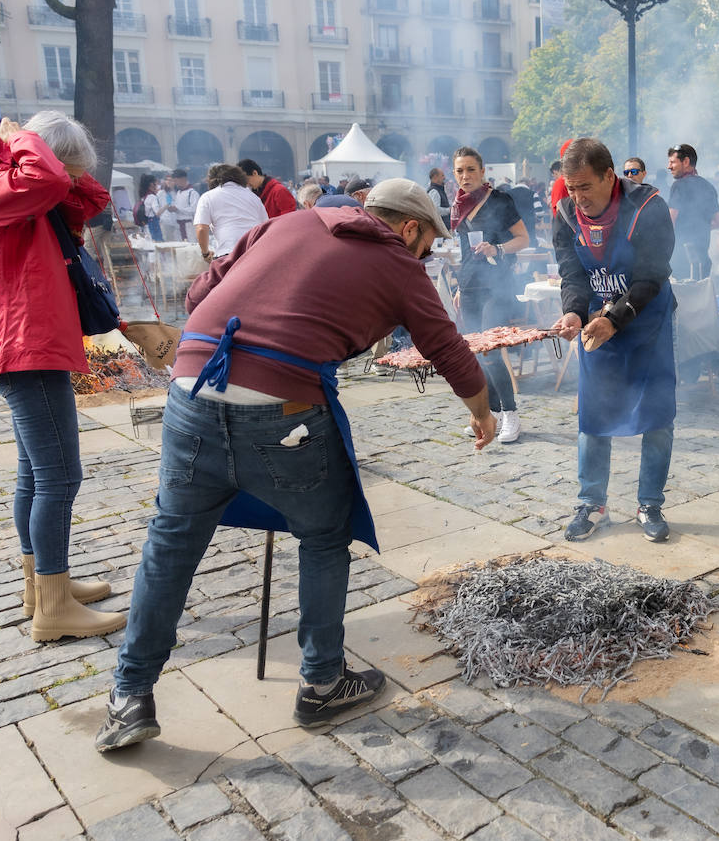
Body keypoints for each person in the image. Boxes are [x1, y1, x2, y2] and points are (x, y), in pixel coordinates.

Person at [95, 179, 494, 752]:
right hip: (282, 408)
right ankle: (322, 681)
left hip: (190, 390)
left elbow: (199, 294)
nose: (426, 258)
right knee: (325, 535)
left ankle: (128, 696)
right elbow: (447, 346)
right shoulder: (398, 262)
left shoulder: (288, 222)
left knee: (172, 542)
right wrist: (481, 413)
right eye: (428, 244)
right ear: (409, 228)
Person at [0, 105, 125, 642]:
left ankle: (43, 586)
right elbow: (50, 177)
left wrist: (42, 153)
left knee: (35, 473)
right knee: (59, 476)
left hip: (29, 340)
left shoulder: (18, 184)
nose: (68, 179)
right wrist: (28, 141)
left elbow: (92, 199)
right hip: (25, 343)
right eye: (64, 166)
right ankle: (52, 606)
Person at [551, 138, 676, 542]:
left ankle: (649, 502)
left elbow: (651, 277)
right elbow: (572, 274)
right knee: (593, 414)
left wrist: (615, 319)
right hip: (597, 329)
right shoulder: (566, 213)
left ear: (610, 176)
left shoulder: (647, 208)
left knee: (657, 415)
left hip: (647, 323)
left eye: (585, 187)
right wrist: (573, 309)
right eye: (571, 188)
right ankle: (592, 503)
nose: (578, 197)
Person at [452, 146, 530, 444]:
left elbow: (522, 239)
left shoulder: (499, 200)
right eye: (460, 170)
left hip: (497, 286)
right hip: (470, 287)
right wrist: (460, 286)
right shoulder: (459, 204)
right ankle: (487, 414)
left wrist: (497, 249)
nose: (465, 175)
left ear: (483, 172)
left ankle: (511, 414)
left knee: (491, 352)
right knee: (474, 354)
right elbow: (464, 254)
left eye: (471, 169)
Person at [193, 163, 268, 262]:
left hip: (227, 254)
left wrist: (205, 253)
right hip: (255, 252)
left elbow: (201, 229)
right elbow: (266, 226)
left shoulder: (208, 197)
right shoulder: (253, 197)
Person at [666, 143, 719, 280]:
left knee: (683, 299)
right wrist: (701, 230)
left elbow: (670, 221)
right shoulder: (708, 186)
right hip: (703, 261)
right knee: (701, 296)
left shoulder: (678, 186)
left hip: (682, 260)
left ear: (686, 162)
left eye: (673, 162)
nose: (669, 166)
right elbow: (717, 222)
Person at [159, 168, 199, 241]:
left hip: (188, 224)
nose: (175, 183)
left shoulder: (192, 193)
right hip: (178, 225)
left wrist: (178, 209)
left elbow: (194, 210)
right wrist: (173, 208)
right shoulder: (178, 193)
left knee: (191, 246)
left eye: (176, 180)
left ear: (183, 179)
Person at [138, 173, 163, 241]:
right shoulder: (152, 197)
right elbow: (157, 212)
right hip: (153, 224)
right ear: (152, 184)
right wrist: (166, 206)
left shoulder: (144, 196)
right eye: (156, 182)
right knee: (158, 243)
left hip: (146, 224)